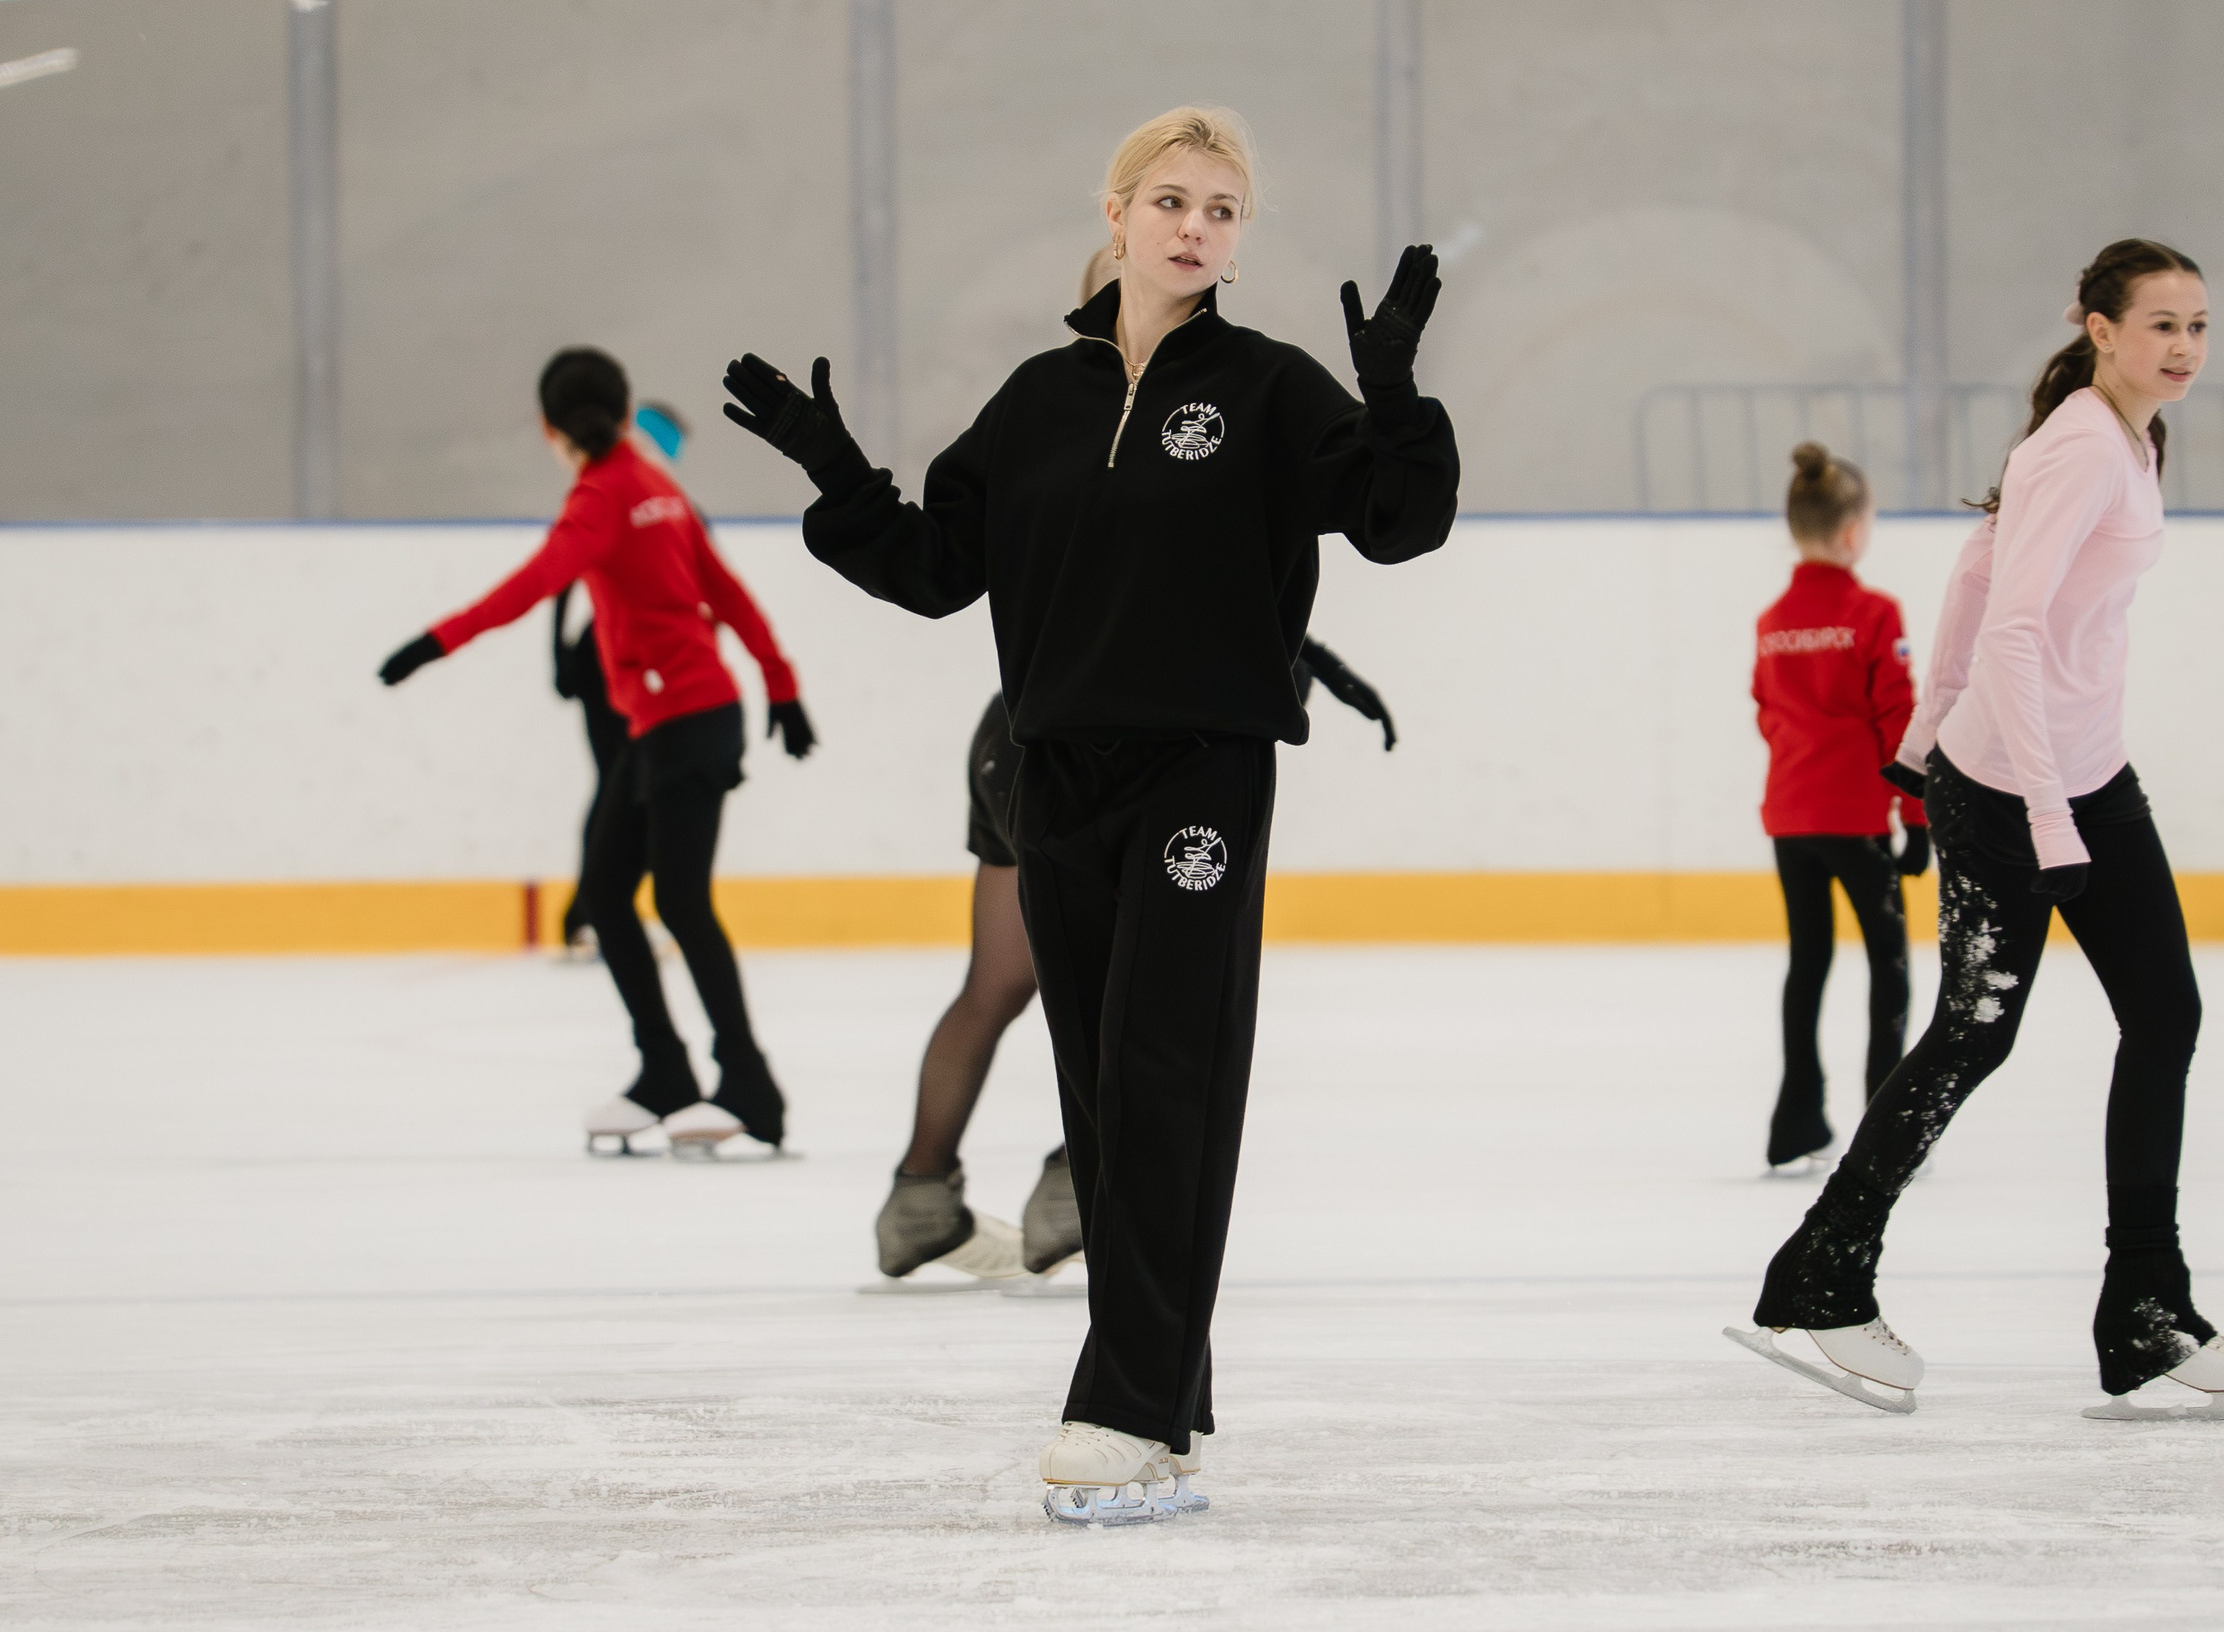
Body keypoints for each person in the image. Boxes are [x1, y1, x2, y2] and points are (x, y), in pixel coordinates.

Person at [723, 106, 1458, 1520]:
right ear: (1116, 214)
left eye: (1225, 210)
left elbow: (1395, 520)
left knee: (1164, 1075)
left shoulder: (1268, 387)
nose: (1196, 227)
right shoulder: (1036, 403)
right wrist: (837, 472)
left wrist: (1397, 398)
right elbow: (940, 567)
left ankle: (1125, 1404)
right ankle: (1169, 1387)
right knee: (1100, 1103)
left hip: (1202, 774)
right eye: (1172, 199)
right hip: (1055, 777)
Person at [1727, 239, 2224, 1422]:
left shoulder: (2125, 435)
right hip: (2025, 790)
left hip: (2083, 773)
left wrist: (1918, 742)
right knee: (1972, 1037)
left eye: (2197, 326)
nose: (2181, 347)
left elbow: (1978, 571)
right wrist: (2021, 800)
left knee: (2163, 1011)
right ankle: (1825, 1274)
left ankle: (2142, 1304)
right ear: (2097, 327)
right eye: (2158, 326)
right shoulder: (2082, 444)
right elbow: (2017, 629)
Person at [875, 253, 1406, 1294]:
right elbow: (1149, 587)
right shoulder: (1075, 412)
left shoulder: (1109, 418)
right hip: (1059, 753)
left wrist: (1321, 666)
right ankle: (1072, 1179)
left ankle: (923, 1191)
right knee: (1117, 986)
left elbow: (1185, 584)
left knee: (1010, 981)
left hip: (1015, 744)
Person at [378, 349, 817, 1158]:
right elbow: (726, 589)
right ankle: (666, 1074)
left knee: (678, 903)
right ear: (622, 416)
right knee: (609, 894)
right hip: (677, 721)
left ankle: (750, 1085)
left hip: (687, 721)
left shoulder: (601, 499)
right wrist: (780, 685)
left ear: (548, 430)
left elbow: (537, 584)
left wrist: (434, 643)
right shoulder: (656, 487)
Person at [1751, 442, 1928, 1177]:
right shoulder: (1874, 612)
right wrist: (1917, 821)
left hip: (1792, 819)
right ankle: (1884, 1122)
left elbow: (1767, 711)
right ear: (1853, 531)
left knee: (1809, 963)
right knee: (1889, 965)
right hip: (1857, 821)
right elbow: (1898, 718)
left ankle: (1797, 1115)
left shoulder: (1772, 619)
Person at [550, 401, 687, 956]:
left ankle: (595, 911)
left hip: (628, 655)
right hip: (607, 655)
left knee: (626, 783)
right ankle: (593, 913)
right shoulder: (625, 491)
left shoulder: (649, 496)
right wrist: (560, 654)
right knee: (622, 782)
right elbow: (563, 571)